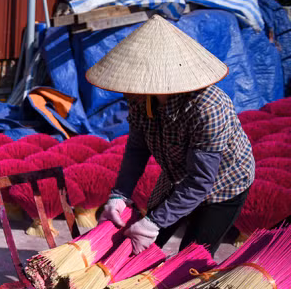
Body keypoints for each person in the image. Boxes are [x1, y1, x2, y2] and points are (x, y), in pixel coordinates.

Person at [87, 15, 254, 257]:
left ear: (157, 81)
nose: (124, 90)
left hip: (222, 185)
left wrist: (154, 222)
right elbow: (137, 149)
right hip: (176, 175)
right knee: (137, 245)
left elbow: (200, 181)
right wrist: (119, 195)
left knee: (189, 257)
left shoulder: (208, 108)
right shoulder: (141, 98)